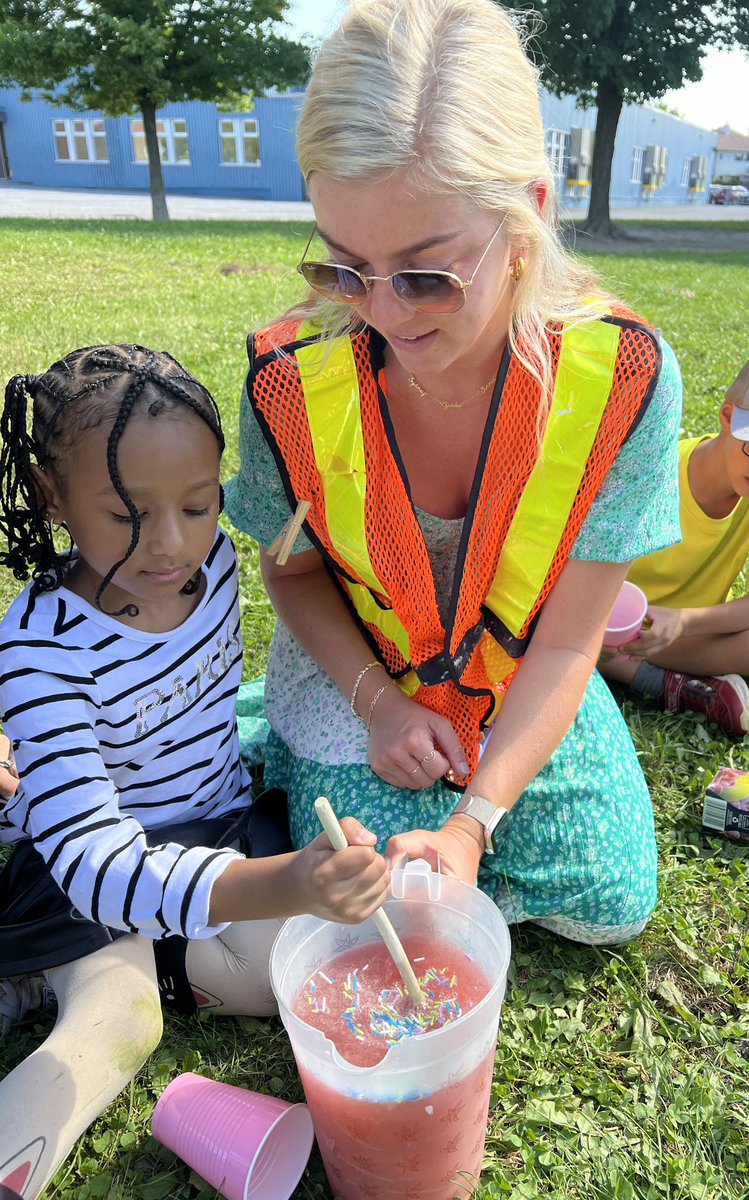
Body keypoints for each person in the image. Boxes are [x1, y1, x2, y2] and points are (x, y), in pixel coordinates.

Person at [226, 0, 683, 949]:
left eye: (427, 275)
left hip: (518, 667)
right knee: (380, 905)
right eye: (343, 268)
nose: (383, 314)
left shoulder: (623, 383)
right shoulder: (288, 382)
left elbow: (569, 643)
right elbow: (292, 572)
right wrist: (378, 706)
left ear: (528, 217)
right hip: (357, 667)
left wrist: (473, 822)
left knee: (609, 900)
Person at [0, 344, 388, 1199]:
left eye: (199, 504)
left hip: (215, 826)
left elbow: (318, 510)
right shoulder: (40, 653)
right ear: (50, 495)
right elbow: (93, 865)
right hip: (83, 876)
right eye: (126, 514)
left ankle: (91, 964)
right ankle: (51, 972)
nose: (171, 544)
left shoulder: (216, 564)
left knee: (310, 965)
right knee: (123, 1022)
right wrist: (285, 882)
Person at [601, 361, 749, 737]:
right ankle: (668, 684)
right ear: (728, 417)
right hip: (616, 623)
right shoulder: (658, 471)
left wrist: (684, 621)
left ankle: (656, 676)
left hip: (692, 631)